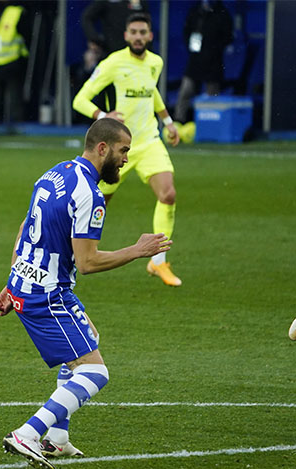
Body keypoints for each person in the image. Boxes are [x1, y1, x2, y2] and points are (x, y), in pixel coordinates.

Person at [0, 118, 171, 469]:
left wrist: (14, 280)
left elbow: (26, 227)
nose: (125, 160)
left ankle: (57, 439)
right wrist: (138, 250)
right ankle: (28, 433)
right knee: (95, 373)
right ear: (102, 148)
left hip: (28, 283)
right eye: (122, 152)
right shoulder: (90, 194)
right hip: (48, 294)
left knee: (88, 338)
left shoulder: (55, 172)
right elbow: (87, 262)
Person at [72, 12, 183, 287]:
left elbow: (151, 91)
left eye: (142, 32)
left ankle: (159, 263)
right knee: (98, 203)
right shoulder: (113, 63)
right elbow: (80, 99)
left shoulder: (155, 62)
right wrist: (102, 116)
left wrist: (167, 121)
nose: (138, 36)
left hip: (147, 142)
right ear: (126, 36)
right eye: (133, 32)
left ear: (150, 35)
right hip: (115, 149)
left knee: (168, 194)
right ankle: (77, 253)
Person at [173, 0, 233, 127]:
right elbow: (186, 31)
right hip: (195, 60)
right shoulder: (195, 10)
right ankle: (178, 122)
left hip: (214, 61)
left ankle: (210, 125)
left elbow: (228, 36)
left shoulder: (222, 12)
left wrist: (215, 49)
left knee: (212, 96)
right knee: (185, 91)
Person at [0, 0, 30, 125]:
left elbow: (25, 36)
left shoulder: (17, 12)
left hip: (12, 61)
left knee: (15, 98)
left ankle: (17, 125)